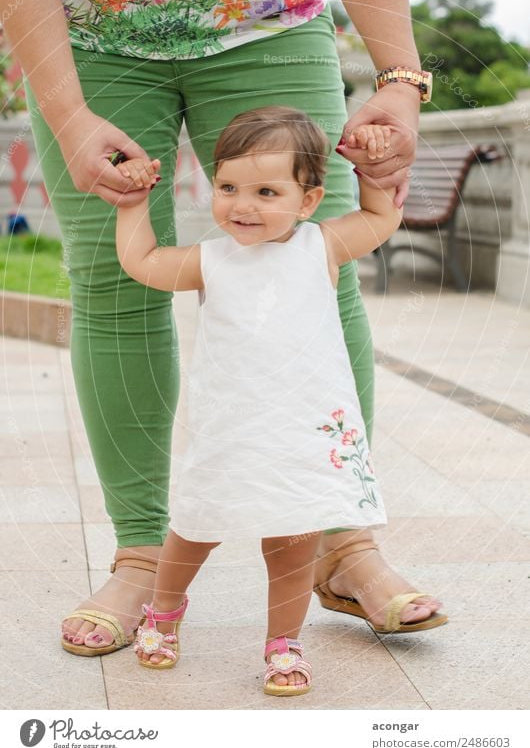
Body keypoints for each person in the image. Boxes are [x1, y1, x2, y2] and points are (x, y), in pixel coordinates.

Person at [1, 0, 444, 659]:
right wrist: (69, 113)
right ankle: (141, 554)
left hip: (267, 19)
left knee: (317, 276)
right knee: (114, 289)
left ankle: (342, 543)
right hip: (90, 40)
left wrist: (401, 81)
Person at [115, 108, 402, 695]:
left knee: (292, 542)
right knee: (195, 527)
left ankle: (283, 642)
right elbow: (142, 263)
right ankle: (164, 610)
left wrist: (373, 165)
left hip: (301, 431)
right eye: (228, 188)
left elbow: (382, 213)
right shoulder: (211, 260)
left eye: (266, 191)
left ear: (308, 199)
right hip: (231, 430)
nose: (242, 205)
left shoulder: (321, 245)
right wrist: (131, 207)